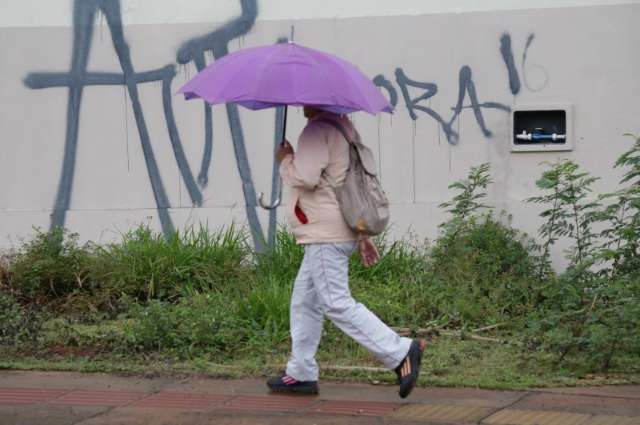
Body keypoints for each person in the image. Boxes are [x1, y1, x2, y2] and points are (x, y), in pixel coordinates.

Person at [266, 106, 426, 399]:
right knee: (305, 300)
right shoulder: (344, 127)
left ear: (318, 102)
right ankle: (301, 371)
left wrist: (286, 159)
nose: (302, 104)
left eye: (307, 99)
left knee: (336, 302)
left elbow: (306, 178)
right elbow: (347, 183)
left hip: (324, 233)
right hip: (339, 228)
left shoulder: (317, 131)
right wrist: (361, 233)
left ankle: (400, 351)